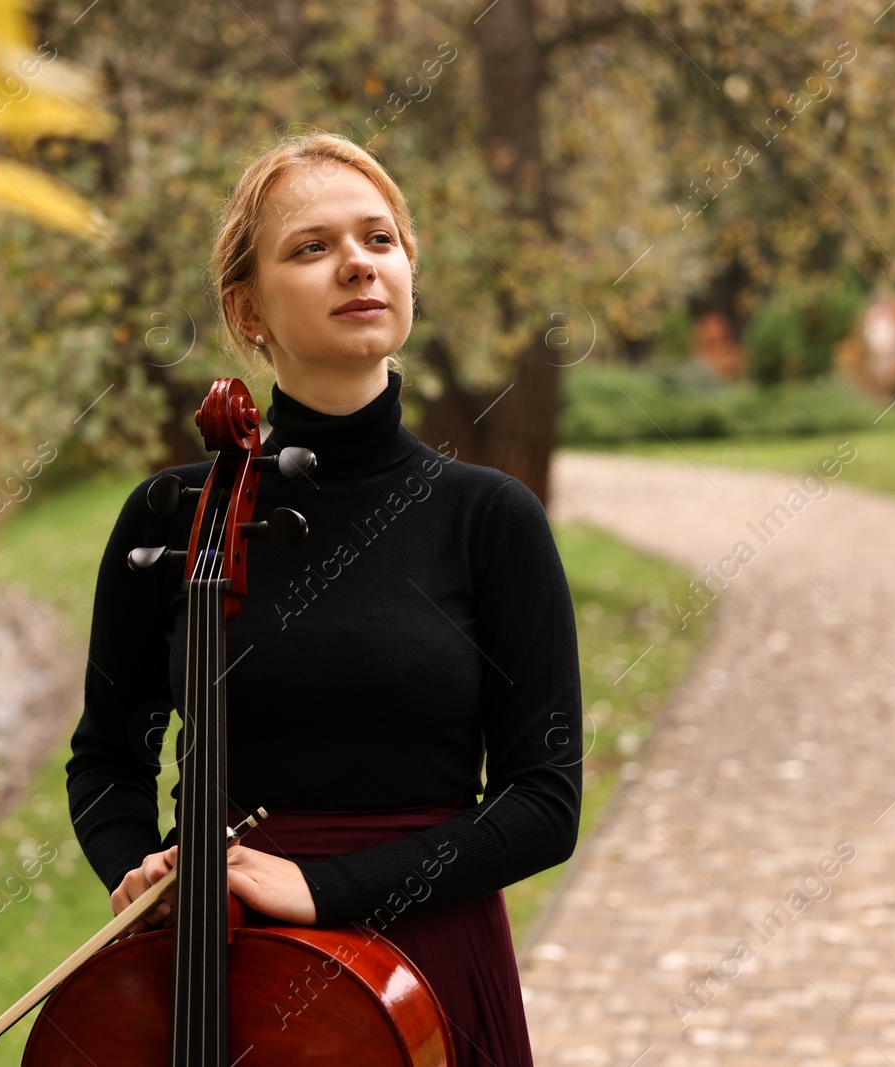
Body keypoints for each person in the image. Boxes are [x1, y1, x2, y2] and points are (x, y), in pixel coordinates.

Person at [66, 130, 583, 1065]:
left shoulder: (489, 517)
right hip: (214, 958)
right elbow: (107, 755)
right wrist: (136, 869)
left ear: (409, 273)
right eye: (312, 248)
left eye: (379, 240)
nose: (357, 264)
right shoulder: (170, 512)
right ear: (247, 306)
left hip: (419, 967)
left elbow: (543, 801)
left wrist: (327, 886)